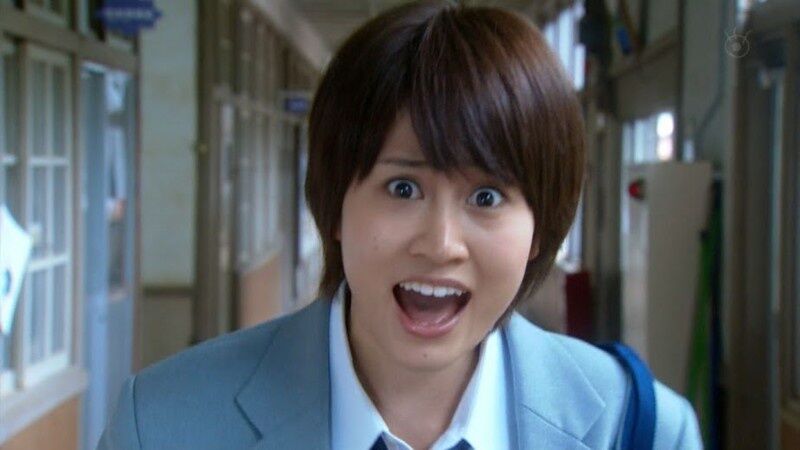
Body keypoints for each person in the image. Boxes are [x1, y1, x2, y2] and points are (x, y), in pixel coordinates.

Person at [98, 1, 702, 449]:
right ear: (336, 202)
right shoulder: (162, 425)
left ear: (540, 227)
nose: (440, 245)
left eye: (486, 196)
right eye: (403, 188)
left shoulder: (641, 429)